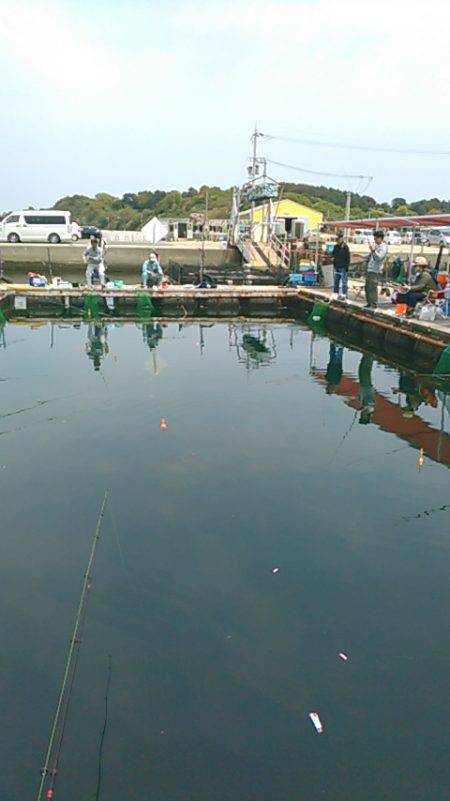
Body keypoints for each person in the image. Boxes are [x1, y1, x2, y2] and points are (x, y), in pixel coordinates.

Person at [365, 230, 388, 308]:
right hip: (369, 269)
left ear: (380, 238)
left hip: (375, 271)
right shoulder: (376, 246)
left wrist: (373, 250)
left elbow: (378, 258)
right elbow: (369, 256)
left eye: (376, 238)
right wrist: (359, 255)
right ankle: (368, 303)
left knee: (373, 288)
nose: (374, 240)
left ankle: (374, 305)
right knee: (367, 287)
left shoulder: (383, 247)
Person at [332, 231, 350, 299]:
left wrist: (347, 268)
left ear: (342, 239)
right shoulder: (335, 246)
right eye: (337, 239)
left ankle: (344, 295)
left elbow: (348, 258)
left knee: (344, 282)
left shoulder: (345, 247)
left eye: (339, 239)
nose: (337, 240)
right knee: (336, 281)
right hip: (336, 266)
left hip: (343, 267)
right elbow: (333, 254)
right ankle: (335, 293)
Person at [358, 353, 375, 424]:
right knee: (365, 370)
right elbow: (370, 401)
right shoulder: (370, 408)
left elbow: (361, 397)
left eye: (361, 416)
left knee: (361, 369)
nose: (361, 415)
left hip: (363, 386)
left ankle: (366, 356)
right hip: (367, 386)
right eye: (363, 417)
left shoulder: (364, 408)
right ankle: (369, 356)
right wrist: (364, 406)